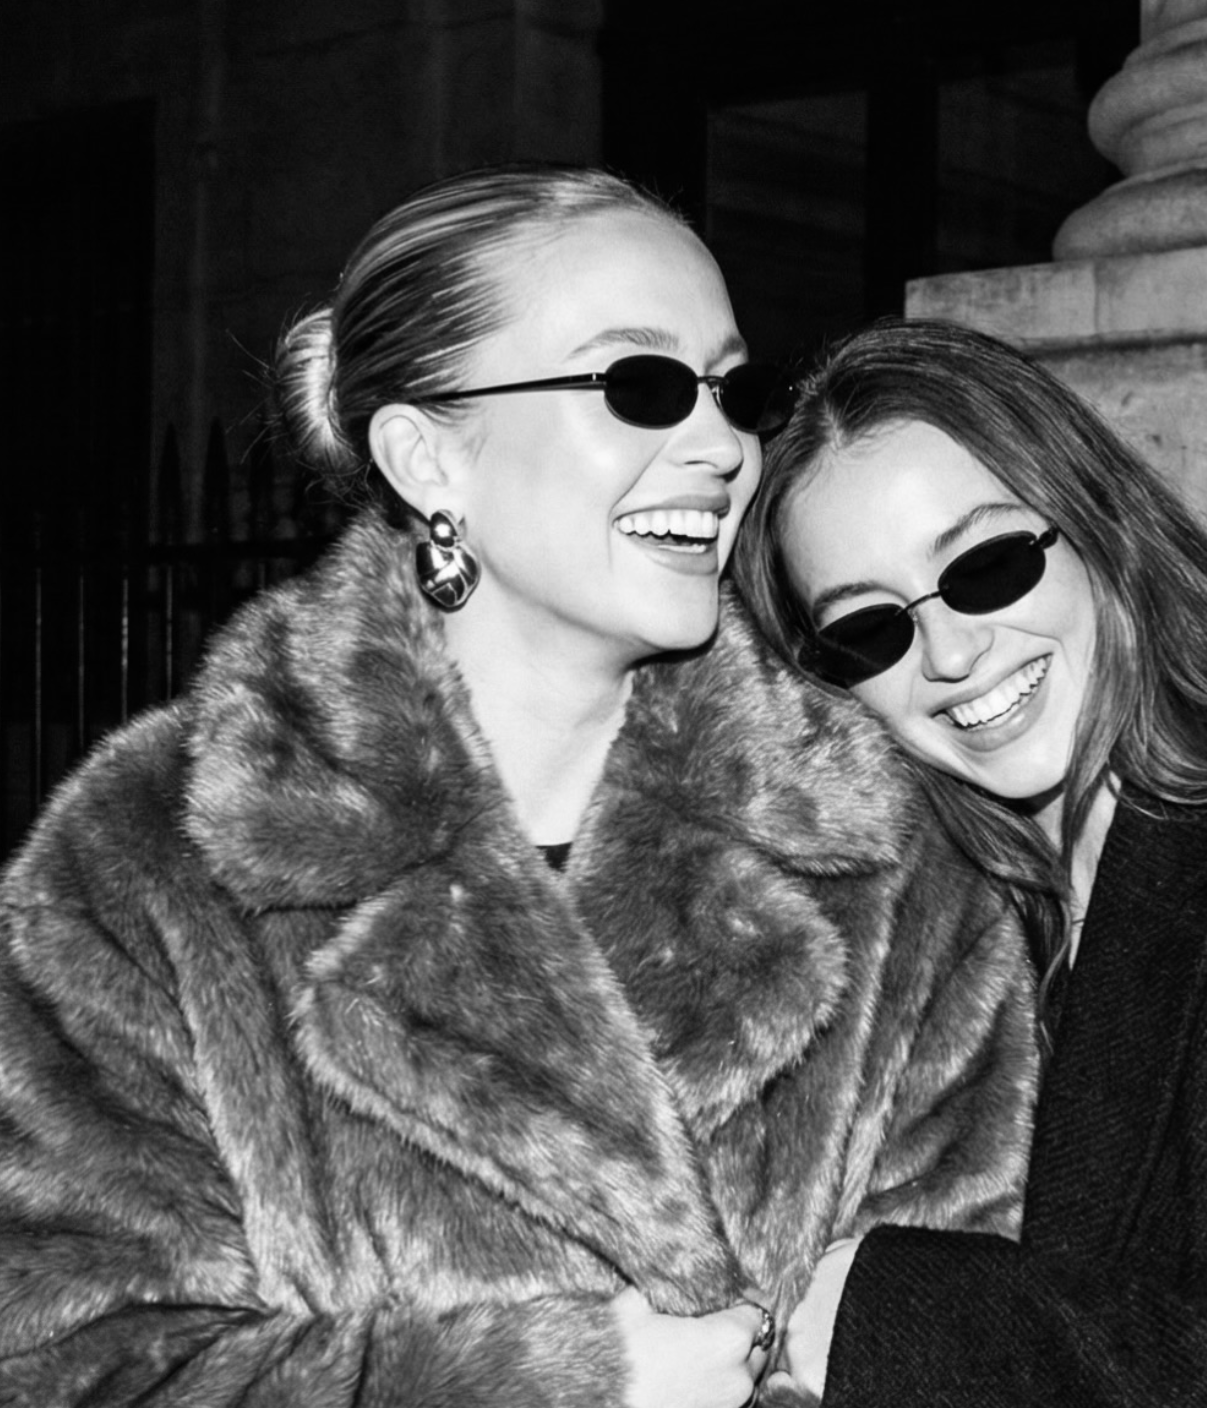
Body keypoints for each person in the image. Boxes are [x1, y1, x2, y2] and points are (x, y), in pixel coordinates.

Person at [0, 175, 1039, 1407]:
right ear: (427, 454)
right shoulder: (150, 862)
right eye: (640, 386)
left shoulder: (873, 842)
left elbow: (956, 1325)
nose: (721, 447)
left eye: (724, 389)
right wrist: (552, 1382)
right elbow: (66, 1359)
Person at [734, 317, 1207, 1406]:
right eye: (867, 630)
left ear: (1101, 527)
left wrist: (896, 1315)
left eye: (984, 565)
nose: (949, 655)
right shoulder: (966, 932)